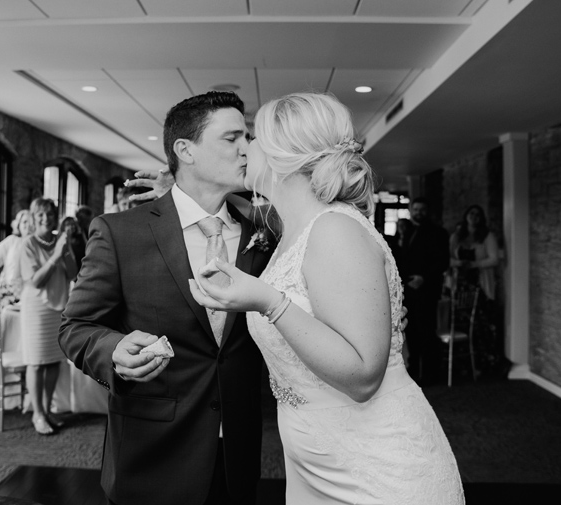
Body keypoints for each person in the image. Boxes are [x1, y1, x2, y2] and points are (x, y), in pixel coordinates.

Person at [190, 92, 464, 504]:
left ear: (286, 155)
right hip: (316, 461)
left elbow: (363, 375)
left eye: (253, 137)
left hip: (375, 465)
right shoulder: (292, 230)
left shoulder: (335, 230)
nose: (243, 147)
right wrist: (179, 189)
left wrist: (269, 301)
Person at [59, 91, 276, 505]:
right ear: (185, 150)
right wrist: (114, 350)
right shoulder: (120, 231)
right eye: (232, 138)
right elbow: (75, 327)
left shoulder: (264, 234)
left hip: (239, 454)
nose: (247, 148)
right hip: (151, 453)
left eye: (247, 137)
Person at [20, 198, 78, 435]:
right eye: (41, 215)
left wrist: (65, 250)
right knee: (36, 363)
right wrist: (56, 254)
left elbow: (73, 274)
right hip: (36, 310)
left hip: (59, 307)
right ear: (34, 218)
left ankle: (47, 407)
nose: (47, 219)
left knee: (54, 361)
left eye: (51, 214)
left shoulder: (60, 241)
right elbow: (35, 281)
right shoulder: (28, 244)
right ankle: (37, 414)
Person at [449, 204, 507, 378]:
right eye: (471, 213)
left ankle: (485, 364)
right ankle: (463, 365)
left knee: (481, 325)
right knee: (462, 323)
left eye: (478, 214)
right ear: (466, 215)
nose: (474, 217)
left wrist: (475, 264)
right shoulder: (457, 237)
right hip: (461, 285)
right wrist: (459, 264)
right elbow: (448, 258)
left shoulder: (487, 236)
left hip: (480, 285)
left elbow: (494, 259)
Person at [397, 196, 449, 385]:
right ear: (411, 211)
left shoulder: (438, 232)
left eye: (422, 209)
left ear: (427, 212)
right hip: (409, 289)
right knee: (411, 331)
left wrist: (423, 278)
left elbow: (443, 261)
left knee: (427, 331)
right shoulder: (407, 231)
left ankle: (430, 372)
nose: (419, 212)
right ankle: (413, 367)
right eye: (415, 209)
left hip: (427, 289)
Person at [0, 209, 34, 303]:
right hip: (9, 292)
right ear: (18, 225)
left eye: (31, 221)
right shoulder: (12, 241)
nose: (28, 225)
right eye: (25, 222)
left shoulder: (38, 244)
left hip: (31, 292)